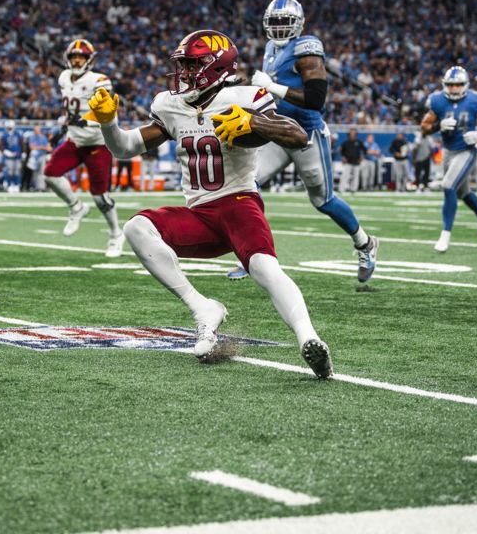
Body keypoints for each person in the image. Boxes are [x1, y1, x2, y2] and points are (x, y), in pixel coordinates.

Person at [87, 29, 334, 378]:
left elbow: (298, 135)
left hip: (239, 204)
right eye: (182, 65)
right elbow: (125, 148)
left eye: (191, 65)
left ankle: (309, 338)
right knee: (136, 227)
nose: (184, 73)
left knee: (264, 268)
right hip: (199, 214)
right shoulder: (171, 105)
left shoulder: (246, 96)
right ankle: (203, 309)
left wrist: (254, 121)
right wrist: (109, 123)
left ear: (215, 66)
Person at [229, 0, 377, 284]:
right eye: (274, 22)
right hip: (277, 129)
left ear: (298, 24)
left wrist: (272, 86)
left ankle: (365, 243)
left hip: (306, 133)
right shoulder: (272, 47)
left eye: (285, 22)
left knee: (323, 200)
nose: (280, 28)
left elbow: (316, 99)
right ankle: (252, 255)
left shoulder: (307, 50)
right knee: (248, 184)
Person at [43, 38, 123, 257]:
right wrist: (63, 127)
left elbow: (109, 112)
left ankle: (116, 234)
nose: (77, 61)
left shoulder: (99, 80)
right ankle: (76, 207)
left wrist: (85, 121)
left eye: (81, 57)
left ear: (89, 60)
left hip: (98, 142)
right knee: (50, 174)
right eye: (74, 57)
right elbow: (69, 111)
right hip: (75, 140)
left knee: (100, 197)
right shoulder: (63, 78)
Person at [420, 66, 477, 252]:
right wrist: (438, 126)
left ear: (465, 85)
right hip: (448, 152)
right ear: (444, 85)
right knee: (462, 192)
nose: (454, 89)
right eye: (450, 85)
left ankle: (445, 236)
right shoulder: (437, 100)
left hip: (467, 151)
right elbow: (424, 127)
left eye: (457, 85)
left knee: (448, 185)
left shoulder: (475, 99)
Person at [0, 121, 25, 193]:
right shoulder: (4, 135)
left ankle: (16, 185)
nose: (10, 129)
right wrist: (5, 151)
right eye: (9, 127)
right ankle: (10, 184)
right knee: (9, 172)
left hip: (17, 156)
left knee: (17, 171)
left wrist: (23, 152)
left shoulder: (18, 134)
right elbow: (0, 146)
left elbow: (21, 144)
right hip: (8, 156)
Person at [25, 124, 51, 192]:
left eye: (38, 129)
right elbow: (32, 147)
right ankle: (35, 187)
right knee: (34, 173)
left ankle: (41, 187)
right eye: (35, 130)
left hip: (42, 156)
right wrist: (42, 147)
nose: (36, 131)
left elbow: (48, 148)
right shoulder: (32, 137)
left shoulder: (43, 137)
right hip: (34, 157)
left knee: (42, 172)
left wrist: (39, 147)